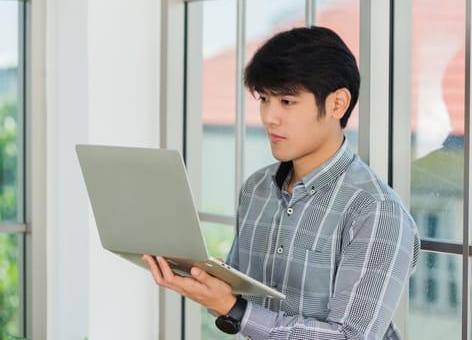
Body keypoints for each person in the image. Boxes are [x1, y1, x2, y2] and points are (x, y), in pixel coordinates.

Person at [143, 26, 420, 340]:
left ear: (337, 104)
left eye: (287, 102)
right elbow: (240, 304)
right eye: (264, 99)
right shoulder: (257, 188)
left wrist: (233, 308)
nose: (269, 117)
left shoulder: (375, 211)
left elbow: (351, 337)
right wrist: (211, 288)